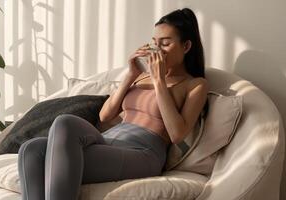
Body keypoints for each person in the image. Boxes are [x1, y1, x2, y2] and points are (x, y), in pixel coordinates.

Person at [17, 7, 208, 200]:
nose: (157, 50)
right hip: (109, 141)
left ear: (186, 46)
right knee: (31, 150)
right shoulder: (139, 77)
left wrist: (159, 81)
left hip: (143, 153)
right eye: (154, 43)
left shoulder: (194, 85)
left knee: (65, 122)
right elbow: (104, 116)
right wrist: (130, 75)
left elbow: (177, 134)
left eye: (165, 44)